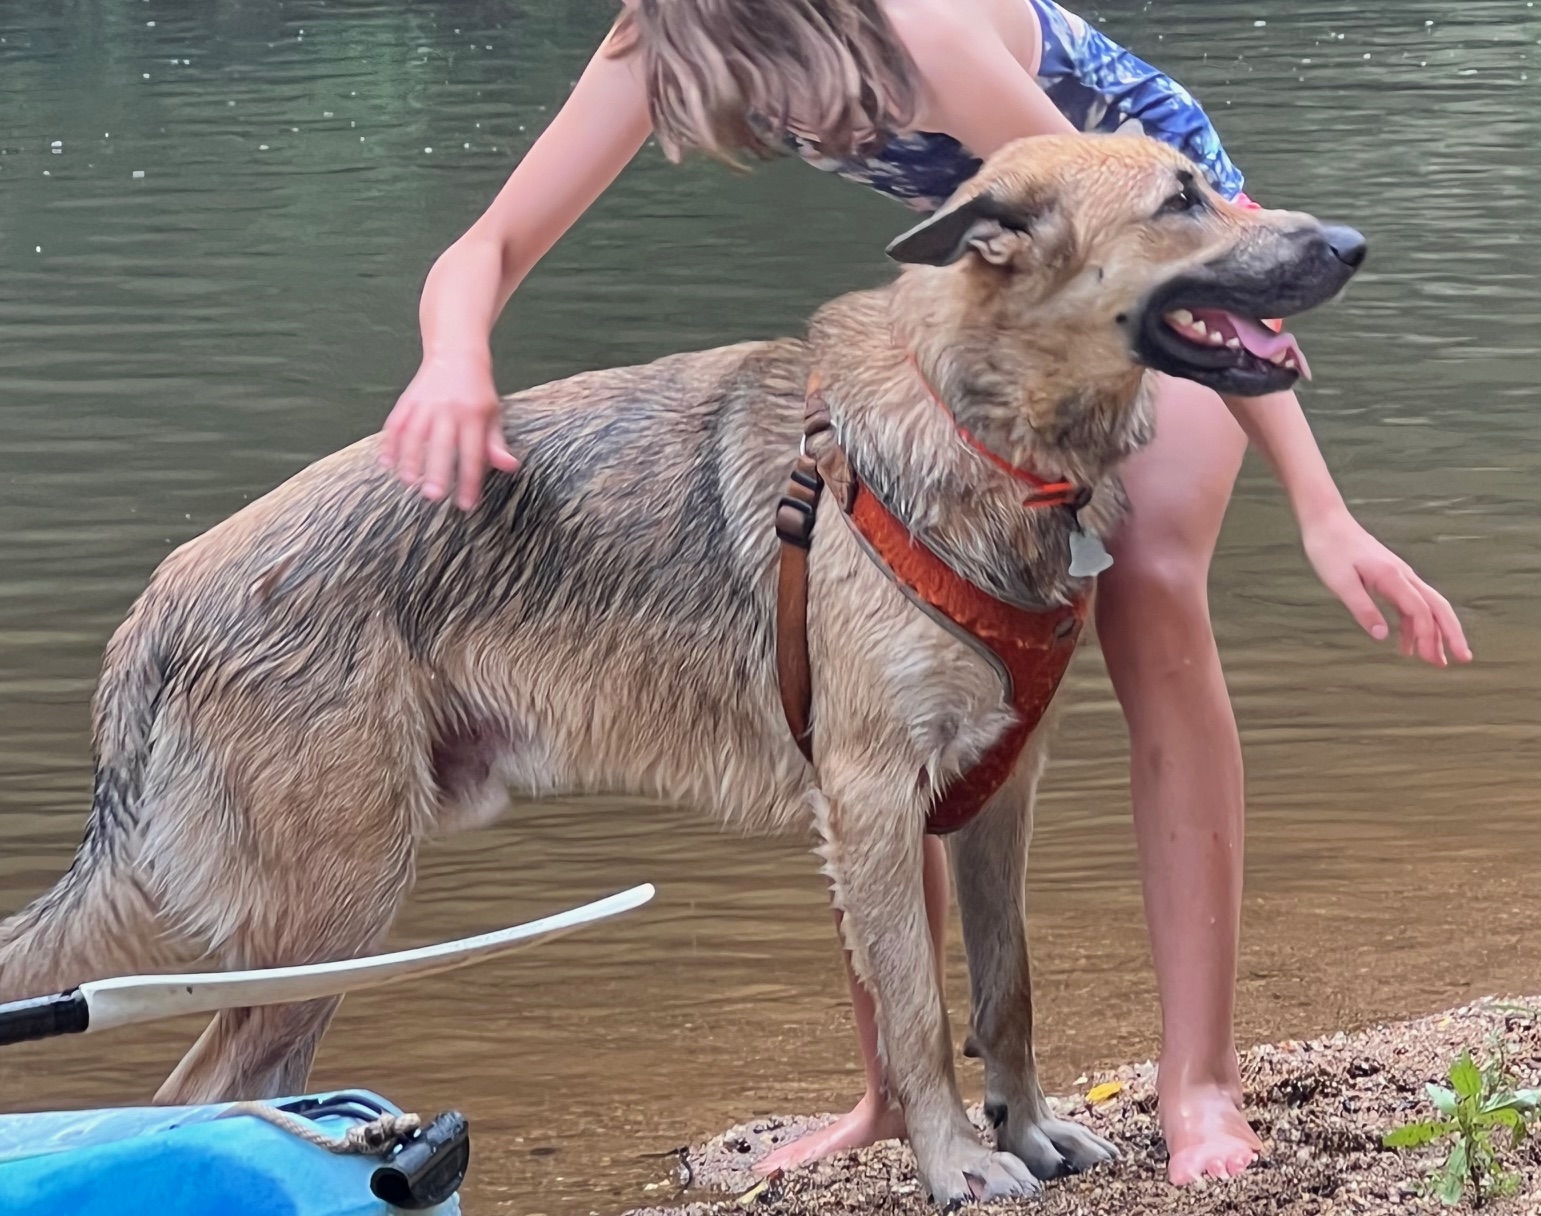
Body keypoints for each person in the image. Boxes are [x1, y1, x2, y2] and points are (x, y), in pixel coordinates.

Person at [379, 0, 1470, 1185]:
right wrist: (453, 355)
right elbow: (484, 249)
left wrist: (1319, 508)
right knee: (856, 625)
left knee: (1148, 574)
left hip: (1152, 236)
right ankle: (898, 1091)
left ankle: (1197, 1084)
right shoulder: (670, 33)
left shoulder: (929, 32)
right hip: (1002, 276)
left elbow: (1107, 222)